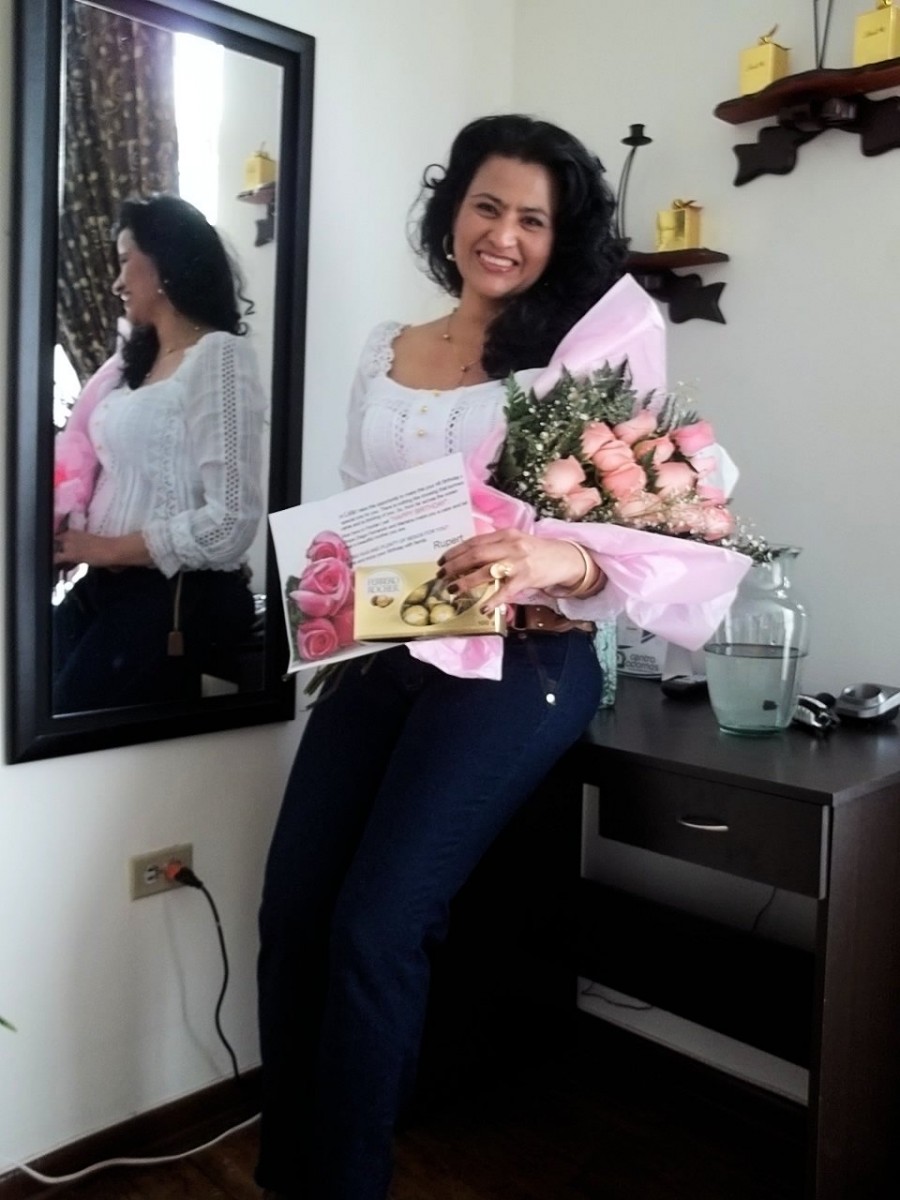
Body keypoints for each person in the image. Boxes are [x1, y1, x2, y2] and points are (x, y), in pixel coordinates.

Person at [255, 114, 628, 1200]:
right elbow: (353, 502)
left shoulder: (581, 362)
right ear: (451, 211)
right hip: (394, 643)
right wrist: (326, 593)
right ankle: (290, 1176)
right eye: (486, 206)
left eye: (532, 220)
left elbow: (640, 545)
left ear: (560, 238)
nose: (503, 235)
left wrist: (554, 559)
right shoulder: (388, 346)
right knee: (293, 913)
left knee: (377, 926)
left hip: (525, 657)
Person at [52, 194, 267, 711]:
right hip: (105, 587)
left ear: (165, 264)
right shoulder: (131, 366)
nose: (116, 283)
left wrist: (104, 548)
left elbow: (231, 523)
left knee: (63, 719)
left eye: (126, 261)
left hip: (178, 596)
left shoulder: (219, 357)